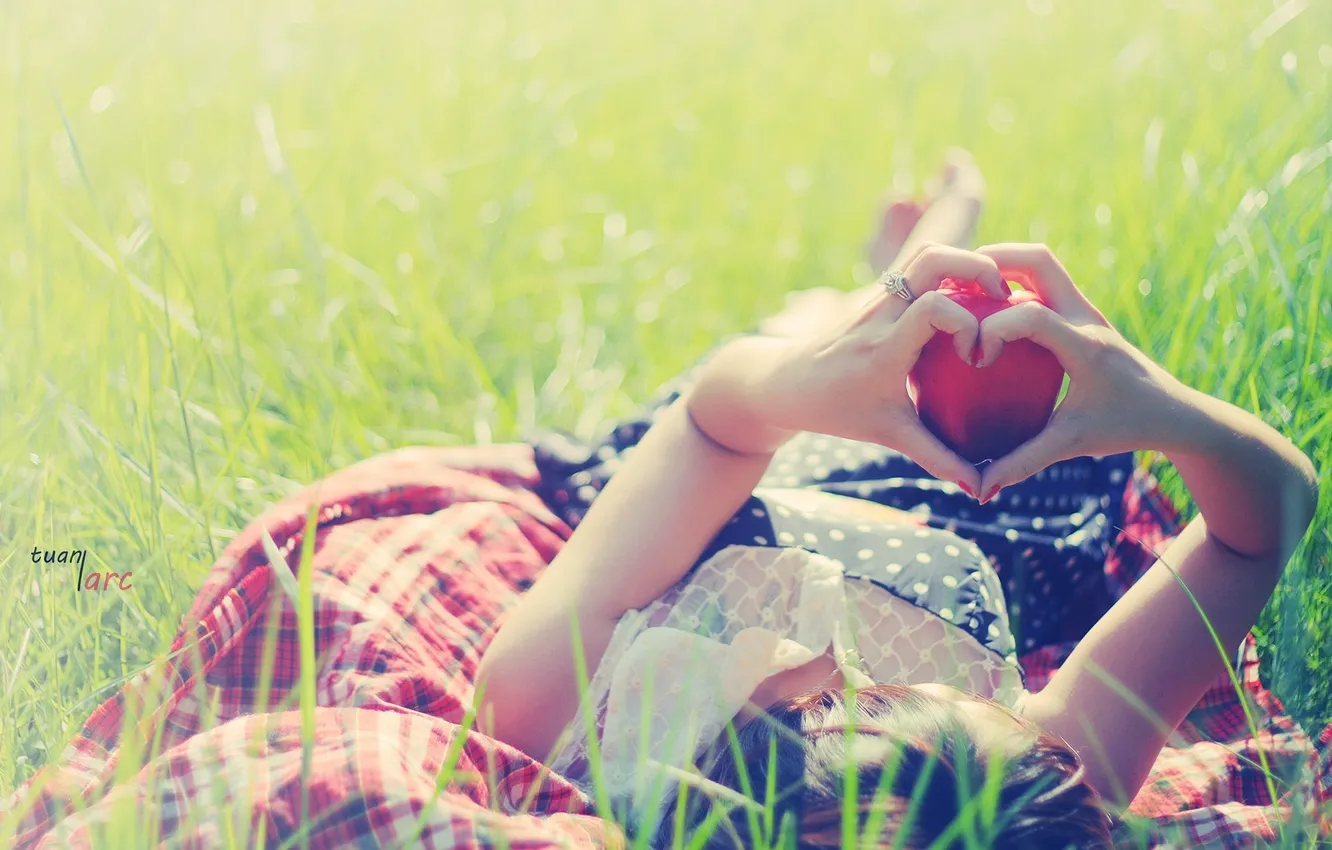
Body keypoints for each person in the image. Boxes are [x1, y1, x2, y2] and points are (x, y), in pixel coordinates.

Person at [472, 153, 1319, 848]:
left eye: (833, 696)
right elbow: (1263, 523)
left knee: (815, 331)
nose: (833, 656)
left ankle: (905, 258)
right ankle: (920, 254)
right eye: (894, 688)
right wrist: (1162, 407)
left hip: (753, 478)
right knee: (915, 373)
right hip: (985, 509)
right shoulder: (1036, 794)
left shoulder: (564, 708)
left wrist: (798, 384)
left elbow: (713, 422)